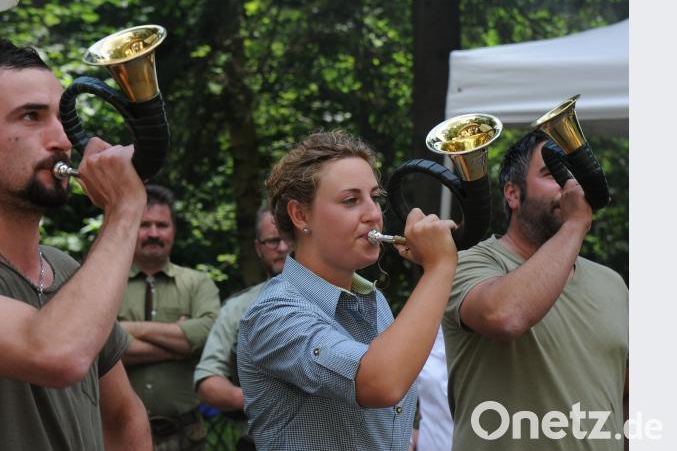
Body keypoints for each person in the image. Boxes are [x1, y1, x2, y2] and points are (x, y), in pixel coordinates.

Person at [0, 40, 152, 451]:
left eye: (61, 117)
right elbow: (56, 354)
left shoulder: (65, 268)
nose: (62, 139)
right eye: (31, 117)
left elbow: (122, 416)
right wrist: (125, 210)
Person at [237, 130, 459, 450]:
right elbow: (381, 383)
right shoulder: (273, 315)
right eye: (351, 200)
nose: (374, 215)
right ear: (300, 215)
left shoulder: (375, 301)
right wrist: (439, 268)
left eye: (375, 197)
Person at [442, 132, 628, 450]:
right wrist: (575, 223)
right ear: (513, 194)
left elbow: (628, 396)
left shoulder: (612, 282)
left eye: (574, 174)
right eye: (553, 174)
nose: (571, 186)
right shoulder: (464, 264)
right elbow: (505, 315)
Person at [118, 185, 221, 451]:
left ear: (173, 229)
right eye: (145, 225)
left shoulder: (198, 283)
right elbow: (99, 345)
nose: (153, 233)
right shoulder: (107, 285)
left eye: (161, 225)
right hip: (118, 436)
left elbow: (208, 334)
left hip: (186, 436)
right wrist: (180, 342)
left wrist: (127, 328)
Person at [193, 205, 290, 443]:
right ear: (258, 248)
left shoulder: (340, 296)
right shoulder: (237, 308)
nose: (283, 248)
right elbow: (207, 381)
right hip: (258, 440)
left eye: (289, 239)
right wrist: (259, 401)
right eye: (273, 241)